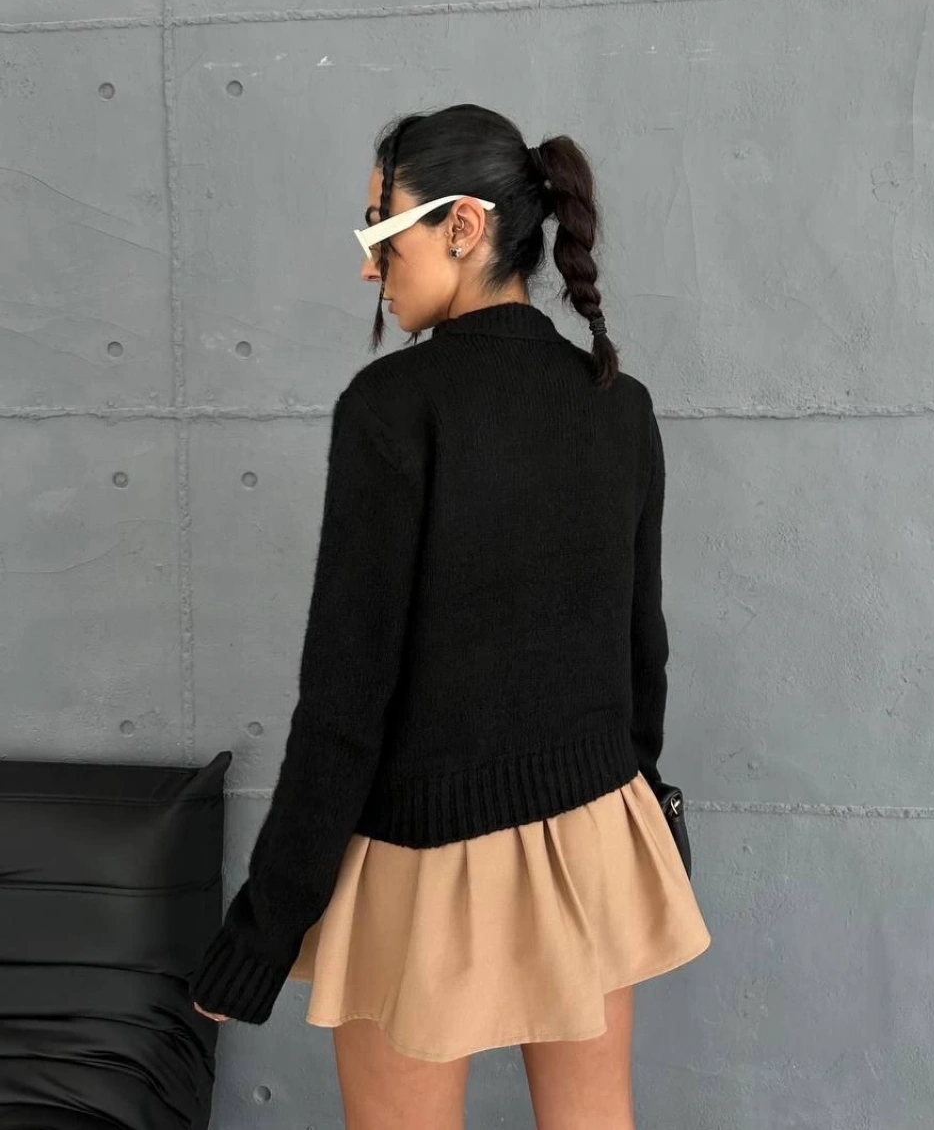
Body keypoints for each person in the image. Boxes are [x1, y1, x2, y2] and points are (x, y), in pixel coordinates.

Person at [188, 103, 711, 1129]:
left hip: (423, 857)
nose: (368, 266)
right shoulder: (619, 401)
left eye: (381, 230)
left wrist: (260, 932)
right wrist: (636, 810)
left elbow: (344, 704)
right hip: (592, 830)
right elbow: (640, 652)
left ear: (463, 226)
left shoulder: (393, 407)